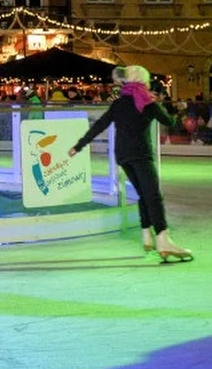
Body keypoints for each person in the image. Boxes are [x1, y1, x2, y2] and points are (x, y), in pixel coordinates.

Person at [68, 65, 192, 262]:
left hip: (123, 154)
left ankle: (146, 235)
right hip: (141, 153)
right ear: (143, 81)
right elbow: (168, 121)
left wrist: (79, 146)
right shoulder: (146, 102)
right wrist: (159, 104)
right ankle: (163, 238)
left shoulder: (119, 103)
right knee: (153, 196)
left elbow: (100, 125)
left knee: (144, 194)